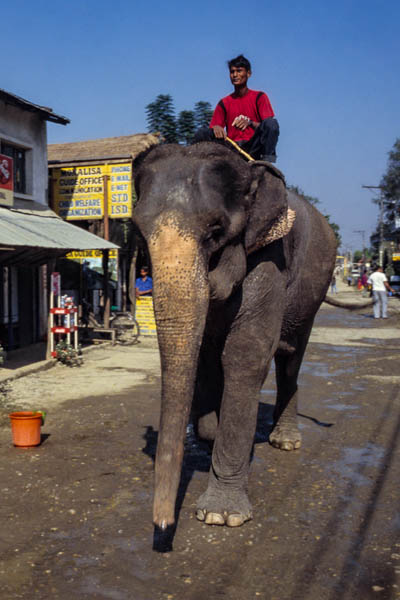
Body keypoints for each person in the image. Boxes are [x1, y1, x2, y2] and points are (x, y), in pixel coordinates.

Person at [193, 54, 279, 162]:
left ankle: (268, 163)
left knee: (271, 123)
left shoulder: (259, 97)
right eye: (232, 72)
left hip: (254, 147)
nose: (235, 75)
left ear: (248, 73)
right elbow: (215, 126)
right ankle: (196, 163)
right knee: (203, 132)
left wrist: (250, 123)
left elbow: (267, 127)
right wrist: (216, 128)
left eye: (239, 71)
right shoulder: (224, 102)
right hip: (232, 147)